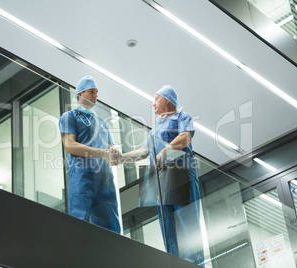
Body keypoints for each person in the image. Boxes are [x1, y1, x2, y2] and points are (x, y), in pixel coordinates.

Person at [122, 85, 204, 265]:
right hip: (161, 182)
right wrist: (121, 158)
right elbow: (143, 151)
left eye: (156, 98)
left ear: (168, 99)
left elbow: (185, 137)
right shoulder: (154, 131)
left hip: (181, 176)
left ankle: (194, 264)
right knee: (168, 230)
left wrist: (165, 151)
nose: (153, 104)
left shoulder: (182, 117)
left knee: (188, 226)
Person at [58, 76, 121, 233]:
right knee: (79, 223)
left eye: (97, 92)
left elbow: (111, 150)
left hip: (105, 180)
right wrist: (101, 153)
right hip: (82, 177)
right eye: (92, 91)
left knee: (111, 229)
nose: (96, 96)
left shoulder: (102, 123)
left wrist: (113, 152)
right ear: (80, 93)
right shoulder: (70, 117)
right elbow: (69, 145)